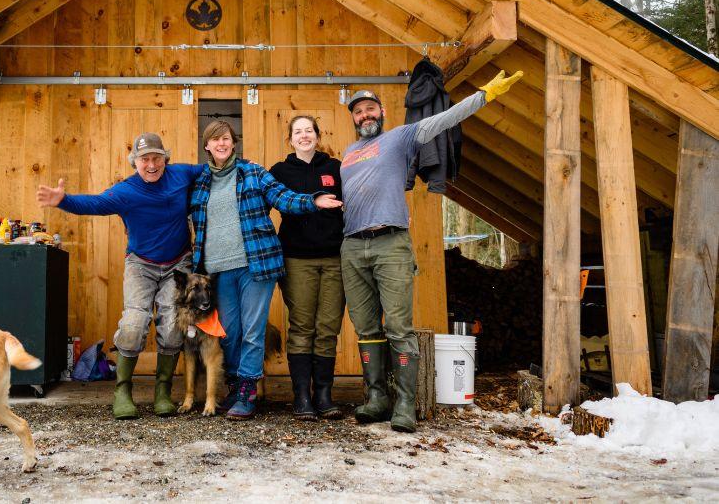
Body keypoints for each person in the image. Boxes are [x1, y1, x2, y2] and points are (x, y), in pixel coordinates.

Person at [340, 70, 523, 433]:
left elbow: (444, 120)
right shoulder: (348, 153)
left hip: (390, 242)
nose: (365, 116)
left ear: (382, 112)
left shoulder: (400, 138)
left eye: (370, 109)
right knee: (365, 328)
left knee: (397, 326)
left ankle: (405, 403)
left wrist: (485, 94)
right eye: (358, 112)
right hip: (352, 245)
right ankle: (376, 398)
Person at [36, 132, 204, 420]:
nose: (151, 164)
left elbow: (216, 168)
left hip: (178, 264)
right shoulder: (127, 191)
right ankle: (122, 391)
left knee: (174, 326)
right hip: (141, 264)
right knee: (133, 324)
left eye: (156, 158)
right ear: (134, 162)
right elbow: (94, 204)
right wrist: (62, 200)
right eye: (144, 159)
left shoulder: (182, 174)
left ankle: (162, 392)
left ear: (166, 158)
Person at [189, 120, 343, 421]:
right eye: (215, 140)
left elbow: (282, 197)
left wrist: (312, 200)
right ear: (206, 146)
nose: (221, 144)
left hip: (255, 265)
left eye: (227, 139)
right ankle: (235, 385)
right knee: (230, 333)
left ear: (234, 143)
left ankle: (247, 391)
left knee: (252, 331)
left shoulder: (254, 173)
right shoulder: (200, 183)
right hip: (218, 271)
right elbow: (171, 209)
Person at [269, 115, 345, 420]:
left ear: (317, 135)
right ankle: (301, 397)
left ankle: (323, 395)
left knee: (328, 327)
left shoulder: (336, 168)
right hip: (296, 258)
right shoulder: (279, 171)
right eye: (297, 132)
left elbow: (359, 196)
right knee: (302, 326)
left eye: (308, 130)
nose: (303, 136)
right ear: (290, 139)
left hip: (335, 259)